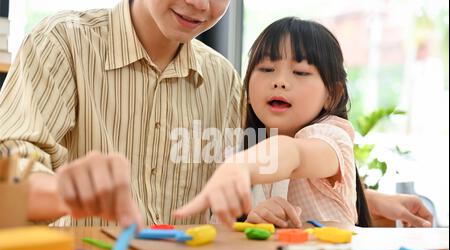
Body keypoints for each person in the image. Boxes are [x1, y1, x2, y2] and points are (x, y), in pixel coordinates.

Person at [0, 2, 432, 229]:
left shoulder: (224, 79)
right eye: (268, 69)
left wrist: (362, 200)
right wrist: (62, 192)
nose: (199, 3)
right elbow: (10, 172)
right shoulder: (63, 42)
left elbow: (268, 167)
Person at [174, 17, 432, 228]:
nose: (280, 81)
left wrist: (240, 166)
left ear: (333, 95)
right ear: (248, 92)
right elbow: (225, 233)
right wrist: (254, 221)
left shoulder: (331, 137)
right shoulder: (245, 148)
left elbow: (293, 154)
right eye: (266, 69)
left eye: (300, 72)